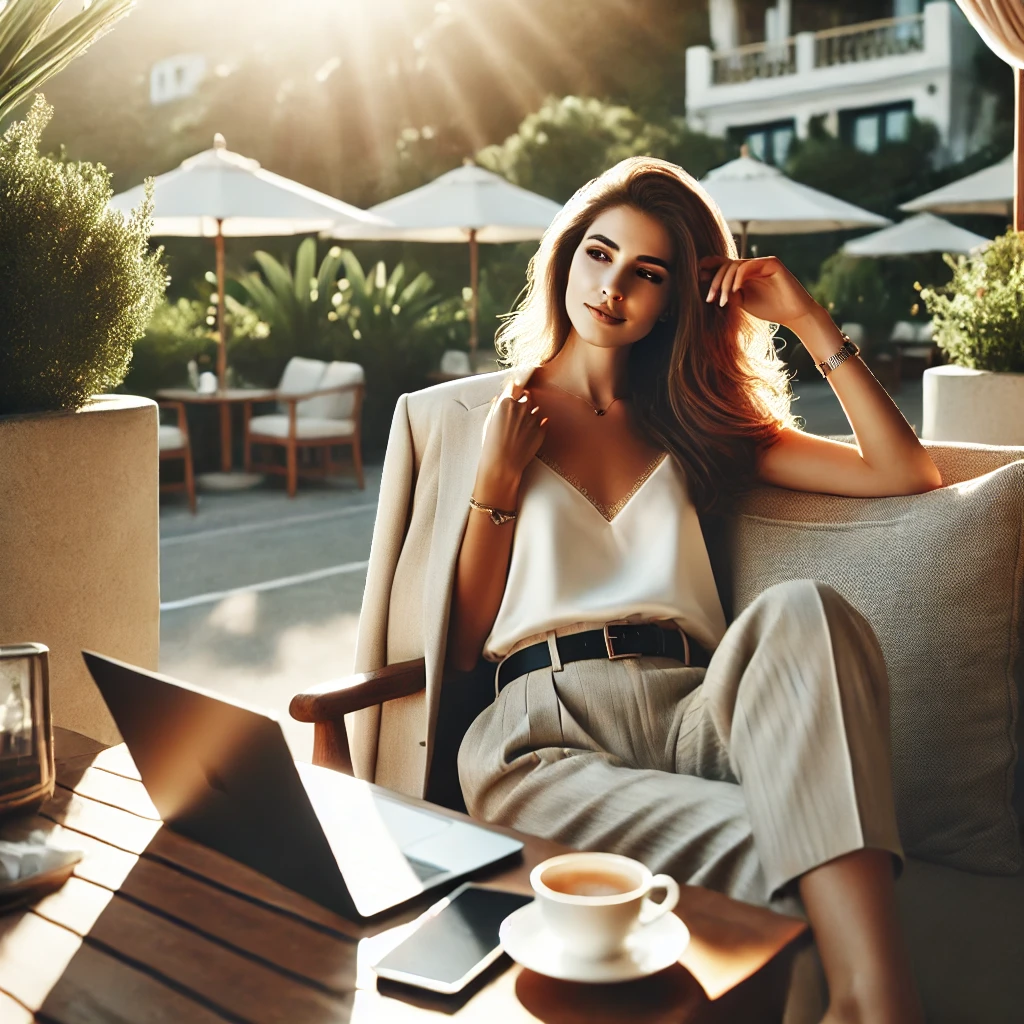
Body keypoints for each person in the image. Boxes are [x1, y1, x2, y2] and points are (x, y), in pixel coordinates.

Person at [352, 157, 940, 1024]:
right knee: (796, 849)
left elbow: (906, 471)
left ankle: (873, 1002)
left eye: (648, 273)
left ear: (678, 298)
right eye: (599, 253)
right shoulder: (476, 419)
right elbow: (468, 636)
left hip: (693, 711)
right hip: (543, 733)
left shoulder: (698, 423)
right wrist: (498, 484)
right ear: (565, 259)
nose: (613, 286)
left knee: (806, 608)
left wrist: (811, 320)